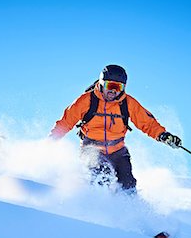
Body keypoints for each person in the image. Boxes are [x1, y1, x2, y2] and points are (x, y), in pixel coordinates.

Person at [49, 64, 182, 194]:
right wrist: (51, 141)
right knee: (102, 174)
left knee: (128, 182)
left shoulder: (127, 103)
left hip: (118, 150)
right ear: (102, 84)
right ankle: (96, 203)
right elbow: (66, 122)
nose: (113, 91)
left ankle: (128, 208)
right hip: (92, 148)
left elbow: (147, 122)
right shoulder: (86, 100)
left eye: (118, 87)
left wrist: (164, 136)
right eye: (110, 86)